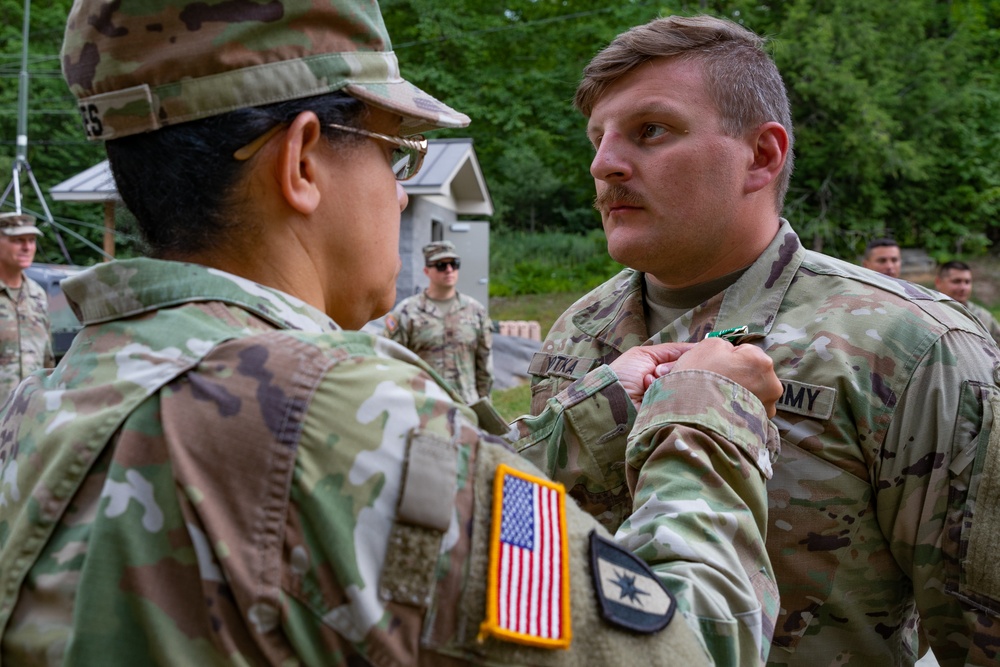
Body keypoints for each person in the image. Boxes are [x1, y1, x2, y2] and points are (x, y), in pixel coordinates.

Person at [0, 2, 784, 666]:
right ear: (304, 160)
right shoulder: (338, 408)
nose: (400, 198)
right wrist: (707, 418)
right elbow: (687, 649)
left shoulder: (51, 400)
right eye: (395, 156)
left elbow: (418, 506)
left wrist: (603, 404)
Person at [520, 14, 1000, 666]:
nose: (604, 164)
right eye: (598, 139)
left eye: (650, 131)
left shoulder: (915, 348)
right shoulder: (577, 333)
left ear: (762, 155)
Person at [384, 240, 493, 403]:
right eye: (441, 265)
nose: (449, 270)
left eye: (454, 264)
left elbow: (484, 366)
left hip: (466, 407)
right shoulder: (407, 312)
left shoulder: (475, 311)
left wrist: (485, 406)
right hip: (423, 406)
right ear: (426, 271)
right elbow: (392, 363)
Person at [0, 212, 53, 405]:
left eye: (31, 240)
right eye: (18, 240)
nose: (27, 247)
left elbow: (47, 358)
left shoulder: (37, 294)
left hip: (29, 415)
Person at [935, 260, 1000, 345]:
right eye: (956, 281)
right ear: (938, 282)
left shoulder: (983, 318)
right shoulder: (927, 313)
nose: (963, 287)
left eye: (967, 282)